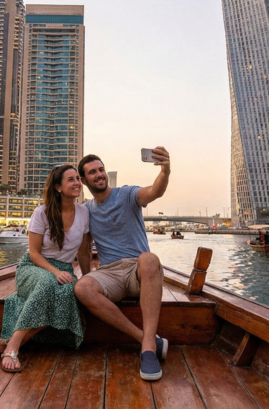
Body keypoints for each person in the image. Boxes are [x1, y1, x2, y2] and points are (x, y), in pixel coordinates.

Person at [74, 148, 171, 381]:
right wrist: (88, 276)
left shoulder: (126, 194)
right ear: (84, 180)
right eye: (92, 172)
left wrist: (166, 171)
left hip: (138, 270)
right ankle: (146, 339)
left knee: (149, 258)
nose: (99, 175)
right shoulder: (85, 211)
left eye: (101, 169)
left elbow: (154, 191)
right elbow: (83, 248)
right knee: (81, 288)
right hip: (110, 273)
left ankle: (147, 351)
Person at [0, 165, 92, 373]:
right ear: (57, 187)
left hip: (64, 269)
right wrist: (55, 272)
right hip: (34, 266)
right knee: (49, 283)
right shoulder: (42, 212)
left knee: (66, 294)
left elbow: (83, 252)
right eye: (71, 180)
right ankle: (13, 347)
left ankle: (10, 340)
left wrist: (89, 278)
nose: (77, 183)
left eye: (77, 179)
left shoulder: (84, 213)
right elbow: (35, 253)